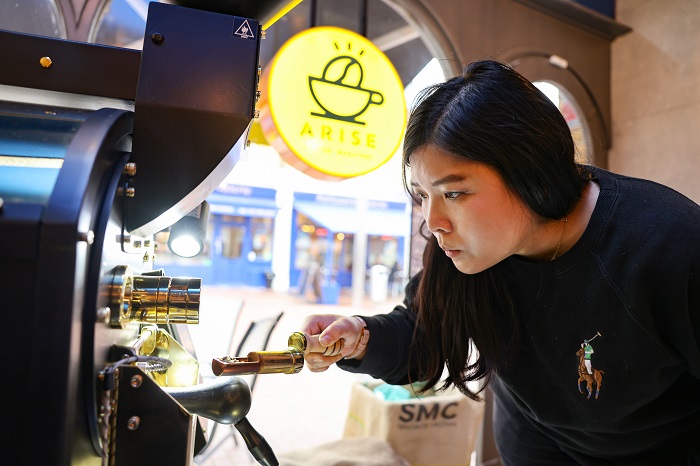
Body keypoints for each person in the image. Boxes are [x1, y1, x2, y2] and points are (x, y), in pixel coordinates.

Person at [299, 59, 700, 465]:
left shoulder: (670, 247)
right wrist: (360, 336)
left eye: (454, 193)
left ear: (529, 172)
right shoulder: (466, 249)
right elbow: (425, 331)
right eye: (421, 195)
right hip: (532, 446)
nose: (433, 222)